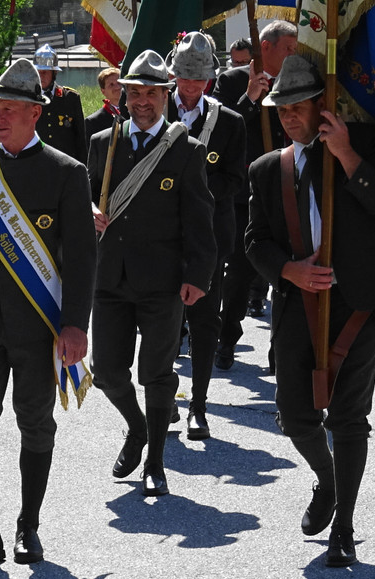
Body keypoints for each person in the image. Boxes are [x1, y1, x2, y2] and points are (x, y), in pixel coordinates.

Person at [244, 55, 375, 567]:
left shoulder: (363, 146)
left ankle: (346, 527)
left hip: (357, 303)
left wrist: (346, 154)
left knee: (350, 419)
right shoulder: (267, 170)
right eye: (281, 108)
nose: (289, 116)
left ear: (321, 106)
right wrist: (289, 271)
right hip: (297, 305)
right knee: (295, 416)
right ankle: (329, 481)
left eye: (298, 106)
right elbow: (254, 243)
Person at [0, 58, 96, 568]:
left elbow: (80, 256)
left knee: (35, 423)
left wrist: (76, 323)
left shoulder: (67, 173)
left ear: (36, 112)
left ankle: (28, 525)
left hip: (38, 324)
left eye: (9, 109)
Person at [88, 49, 217, 497]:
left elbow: (201, 220)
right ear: (123, 95)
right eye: (134, 93)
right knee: (104, 369)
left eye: (151, 93)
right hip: (109, 278)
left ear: (166, 96)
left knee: (157, 374)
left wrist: (198, 277)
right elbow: (85, 198)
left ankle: (156, 462)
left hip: (163, 281)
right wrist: (90, 211)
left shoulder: (185, 149)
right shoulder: (103, 144)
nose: (142, 102)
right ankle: (137, 426)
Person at [165, 32, 247, 439]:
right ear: (173, 75)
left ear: (210, 80)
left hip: (208, 238)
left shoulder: (229, 122)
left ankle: (199, 404)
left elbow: (236, 180)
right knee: (161, 321)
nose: (191, 87)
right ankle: (164, 400)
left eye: (199, 79)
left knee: (203, 322)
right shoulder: (154, 110)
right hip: (160, 237)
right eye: (184, 78)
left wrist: (194, 193)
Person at [212, 20, 296, 371]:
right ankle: (227, 337)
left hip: (288, 189)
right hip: (247, 193)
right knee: (242, 273)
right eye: (287, 49)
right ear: (266, 46)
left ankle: (282, 351)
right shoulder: (231, 82)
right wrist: (250, 99)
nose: (293, 55)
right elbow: (219, 131)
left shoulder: (295, 81)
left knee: (286, 276)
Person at [34, 44, 88, 163]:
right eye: (38, 72)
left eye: (45, 72)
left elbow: (80, 139)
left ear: (54, 73)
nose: (41, 76)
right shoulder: (29, 99)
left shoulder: (70, 98)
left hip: (65, 165)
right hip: (38, 164)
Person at [85, 66, 122, 140]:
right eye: (111, 84)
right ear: (103, 91)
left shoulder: (135, 114)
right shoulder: (93, 122)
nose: (117, 87)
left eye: (119, 82)